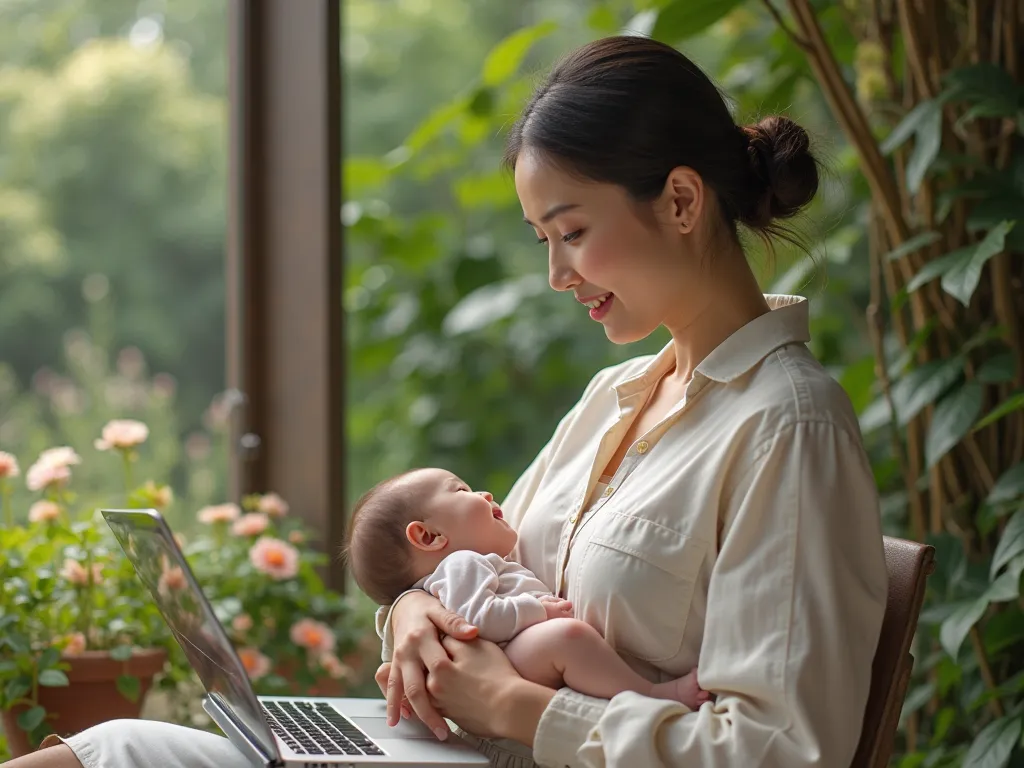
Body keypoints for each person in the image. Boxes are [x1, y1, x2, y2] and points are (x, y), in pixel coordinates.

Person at [10, 34, 887, 768]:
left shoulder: (786, 428)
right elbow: (481, 556)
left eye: (573, 233)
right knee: (115, 747)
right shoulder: (614, 396)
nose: (556, 275)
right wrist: (414, 608)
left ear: (683, 200)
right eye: (543, 240)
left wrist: (519, 709)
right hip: (457, 753)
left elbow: (779, 749)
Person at [344, 467, 712, 723]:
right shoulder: (462, 565)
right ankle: (651, 695)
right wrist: (539, 611)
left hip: (504, 661)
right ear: (428, 536)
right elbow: (480, 619)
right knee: (569, 637)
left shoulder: (468, 567)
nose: (484, 494)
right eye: (461, 491)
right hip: (503, 658)